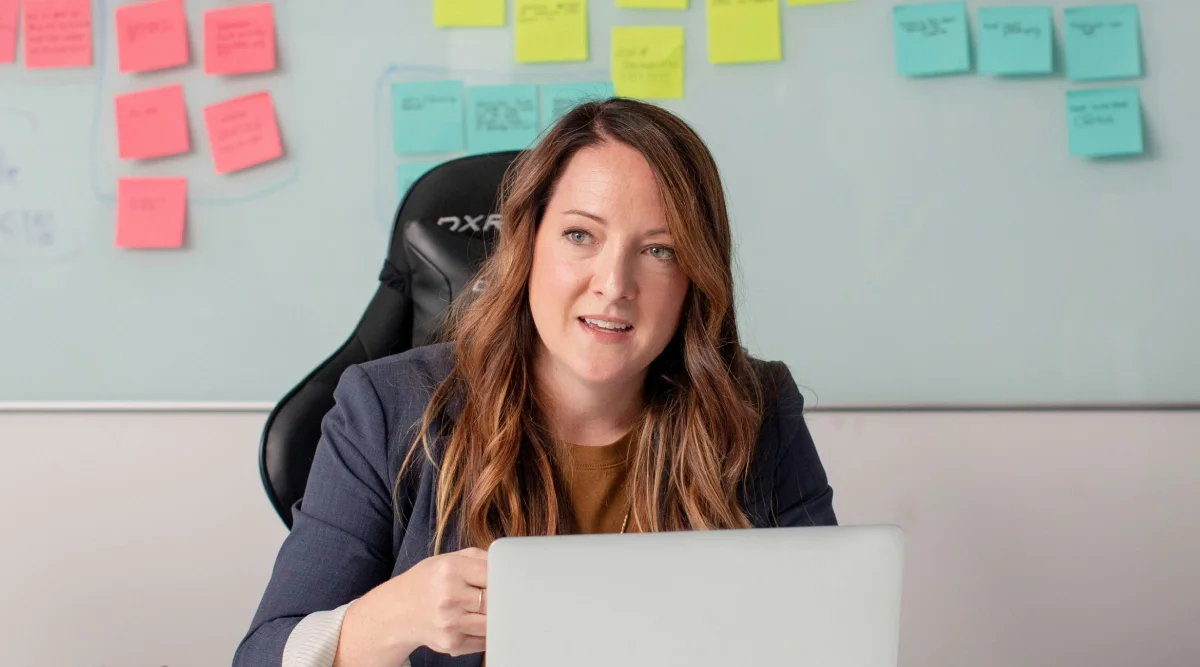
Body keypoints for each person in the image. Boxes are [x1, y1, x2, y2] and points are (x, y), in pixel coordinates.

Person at [233, 98, 837, 667]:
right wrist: (388, 619)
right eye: (581, 236)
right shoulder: (386, 409)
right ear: (528, 245)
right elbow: (260, 655)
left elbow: (830, 636)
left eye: (660, 250)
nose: (613, 283)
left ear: (695, 275)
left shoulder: (756, 410)